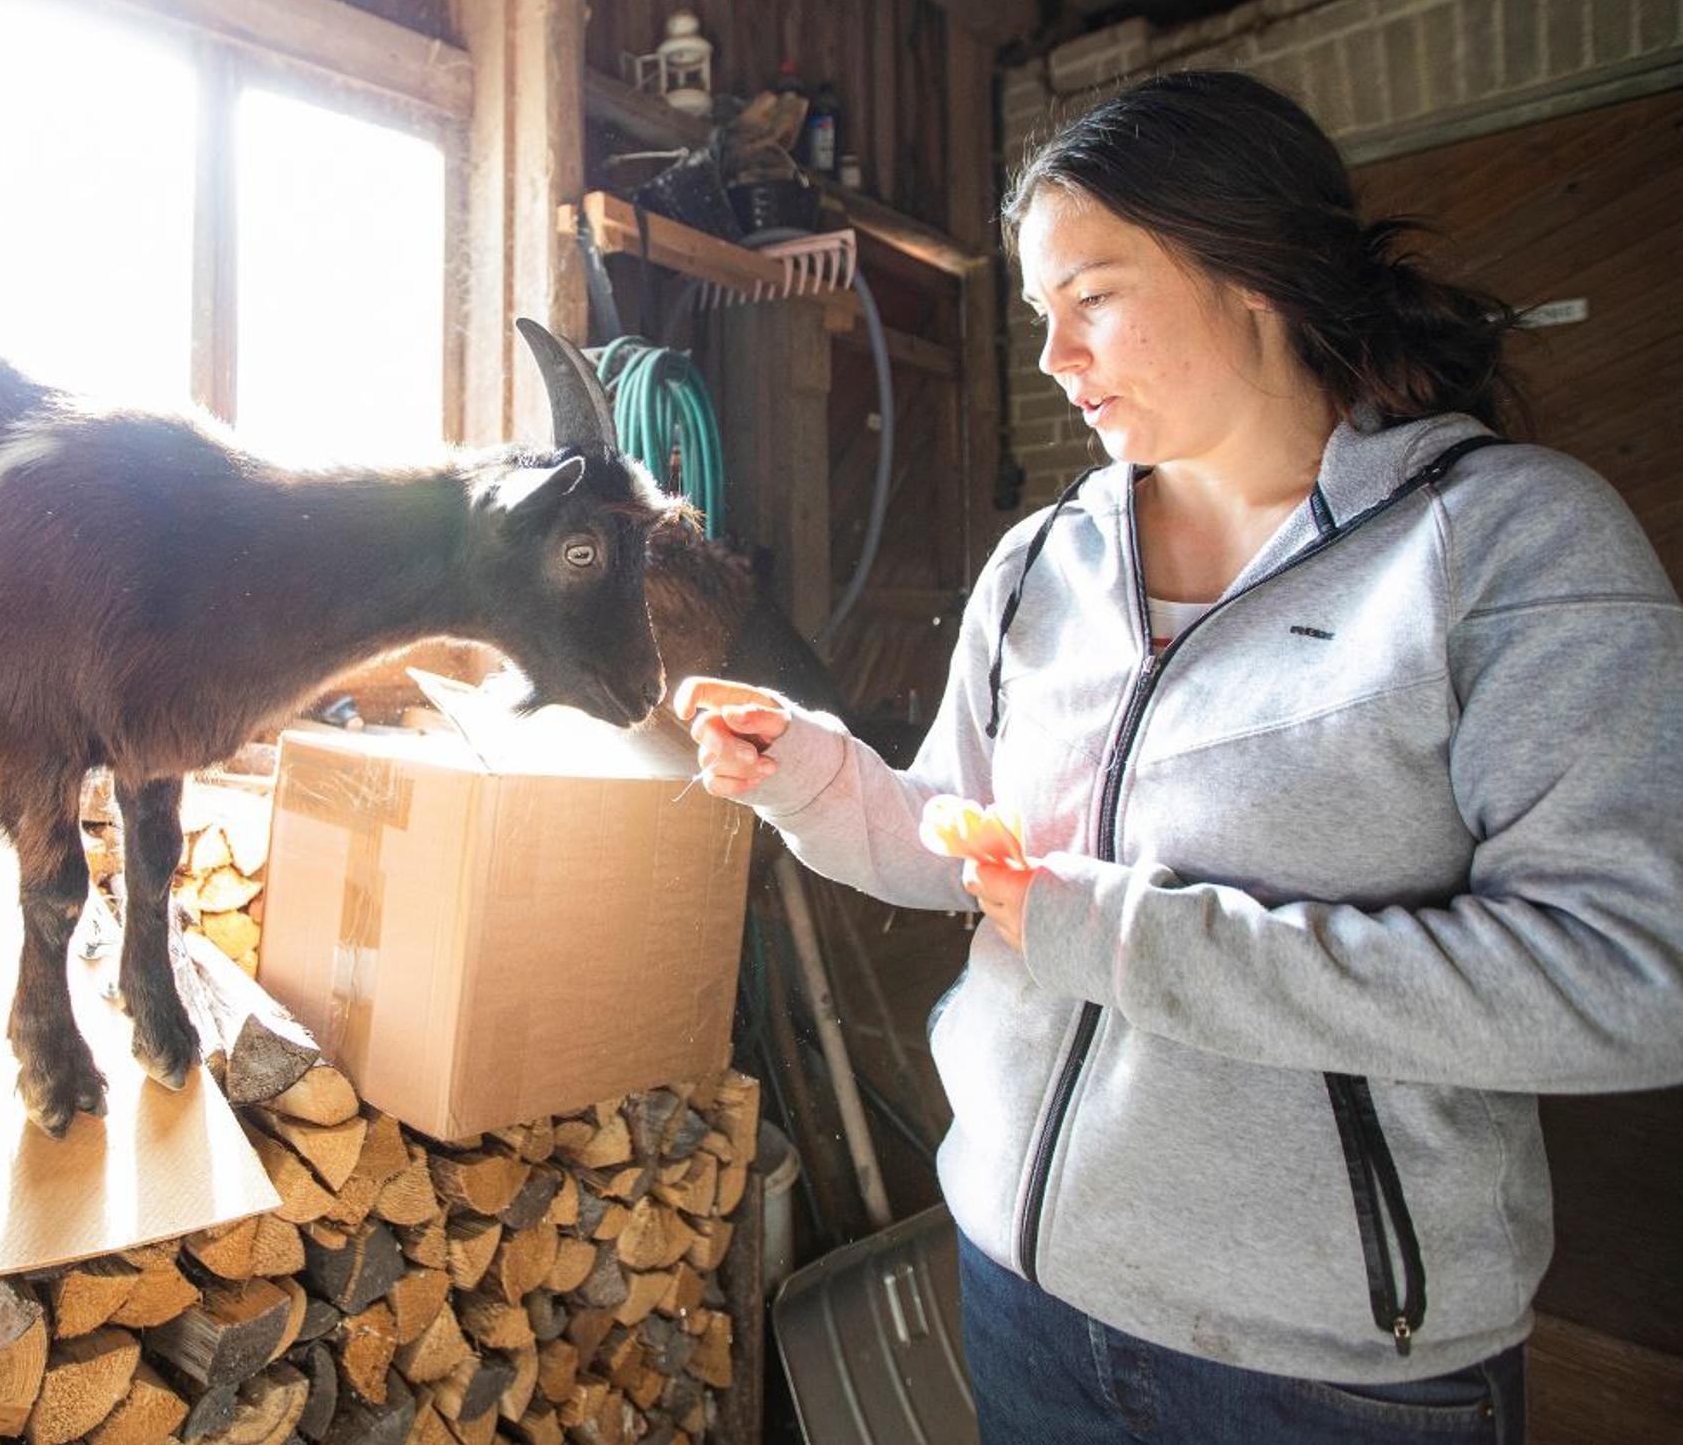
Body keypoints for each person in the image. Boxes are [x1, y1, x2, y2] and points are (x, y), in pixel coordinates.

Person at [678, 70, 1683, 1444]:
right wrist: (810, 774)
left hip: (1320, 1369)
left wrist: (1130, 944)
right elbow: (962, 852)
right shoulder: (1041, 564)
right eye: (1040, 314)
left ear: (1251, 274)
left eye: (1091, 297)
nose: (1051, 357)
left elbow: (1625, 981)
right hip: (1020, 1283)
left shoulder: (1504, 545)